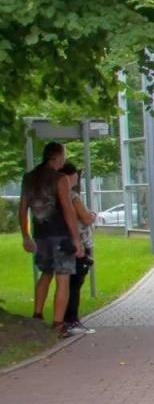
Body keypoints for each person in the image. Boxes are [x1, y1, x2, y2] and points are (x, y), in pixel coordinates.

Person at [17, 141, 85, 338]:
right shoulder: (60, 179)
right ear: (57, 157)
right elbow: (68, 210)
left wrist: (26, 236)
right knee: (62, 278)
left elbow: (22, 209)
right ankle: (58, 323)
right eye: (63, 156)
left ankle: (37, 315)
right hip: (61, 235)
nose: (64, 159)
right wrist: (76, 239)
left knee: (45, 274)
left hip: (41, 236)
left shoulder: (29, 178)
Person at [59, 162, 97, 336]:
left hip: (63, 242)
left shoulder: (56, 195)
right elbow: (86, 218)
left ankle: (66, 318)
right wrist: (92, 215)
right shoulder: (72, 196)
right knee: (76, 282)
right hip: (79, 243)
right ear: (70, 176)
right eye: (75, 175)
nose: (77, 178)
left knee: (68, 282)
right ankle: (71, 319)